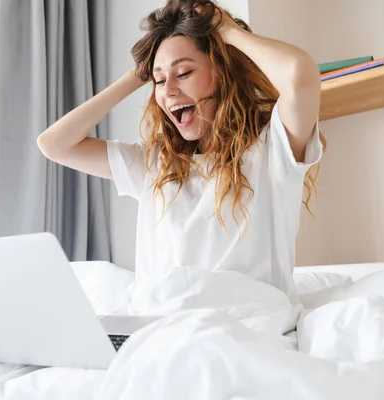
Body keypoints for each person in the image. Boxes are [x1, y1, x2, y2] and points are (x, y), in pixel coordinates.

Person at [37, 0, 325, 311]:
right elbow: (54, 144)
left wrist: (227, 31)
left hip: (242, 324)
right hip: (159, 328)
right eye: (159, 81)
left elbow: (301, 77)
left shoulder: (272, 151)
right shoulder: (154, 165)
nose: (168, 90)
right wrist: (140, 73)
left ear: (223, 72)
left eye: (183, 72)